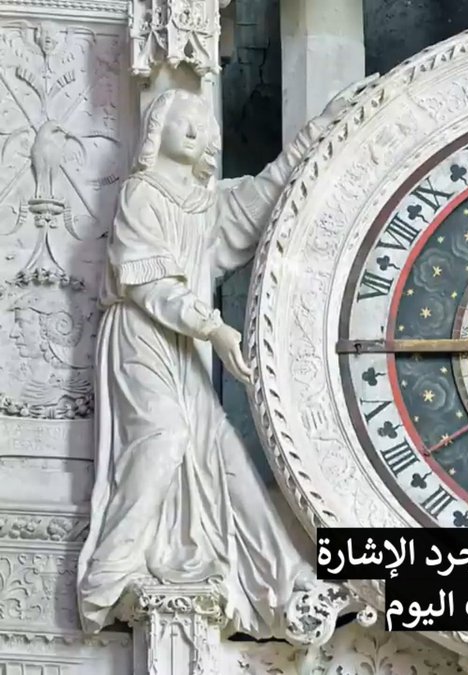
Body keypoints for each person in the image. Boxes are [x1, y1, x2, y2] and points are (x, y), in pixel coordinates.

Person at [77, 77, 374, 638]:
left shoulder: (205, 203)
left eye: (203, 125)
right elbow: (148, 283)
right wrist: (214, 329)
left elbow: (264, 195)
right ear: (156, 130)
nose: (196, 131)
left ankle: (289, 585)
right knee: (163, 439)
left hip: (184, 343)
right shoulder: (142, 194)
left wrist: (323, 127)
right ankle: (106, 578)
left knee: (222, 453)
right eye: (183, 122)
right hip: (141, 338)